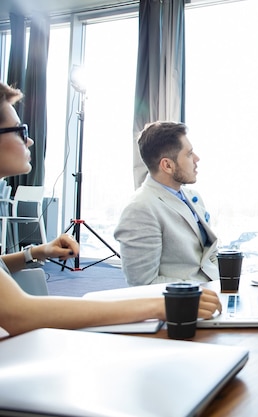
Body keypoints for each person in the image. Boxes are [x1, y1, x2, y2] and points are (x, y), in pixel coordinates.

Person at [0, 81, 222, 336]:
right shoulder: (142, 206)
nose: (29, 141)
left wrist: (36, 252)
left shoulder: (191, 197)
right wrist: (160, 305)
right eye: (20, 131)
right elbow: (18, 314)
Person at [114, 121, 220, 286]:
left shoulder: (193, 197)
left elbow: (209, 254)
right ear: (167, 165)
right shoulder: (140, 208)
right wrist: (204, 290)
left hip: (213, 293)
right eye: (189, 154)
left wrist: (225, 286)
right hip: (182, 305)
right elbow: (143, 283)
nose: (197, 159)